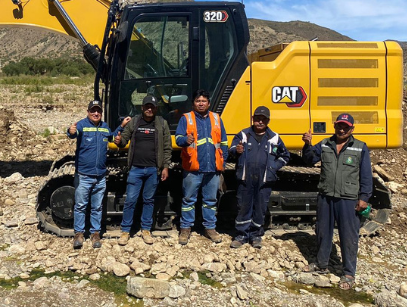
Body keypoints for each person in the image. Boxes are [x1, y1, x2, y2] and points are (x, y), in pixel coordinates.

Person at [301, 113, 372, 290]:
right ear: (334, 126)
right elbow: (309, 160)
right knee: (323, 232)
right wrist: (307, 144)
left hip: (348, 199)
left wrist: (364, 198)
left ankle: (348, 273)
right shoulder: (325, 144)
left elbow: (366, 176)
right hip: (326, 196)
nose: (342, 129)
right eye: (339, 126)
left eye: (346, 127)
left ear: (351, 129)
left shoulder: (360, 147)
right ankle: (321, 264)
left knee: (348, 236)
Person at [67, 100, 131, 249]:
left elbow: (112, 137)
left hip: (100, 176)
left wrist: (121, 128)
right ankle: (79, 234)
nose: (96, 113)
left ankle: (95, 233)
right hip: (84, 175)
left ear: (101, 113)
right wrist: (70, 131)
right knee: (81, 205)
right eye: (93, 111)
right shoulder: (82, 125)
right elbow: (73, 133)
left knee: (97, 206)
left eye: (98, 111)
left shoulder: (104, 127)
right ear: (88, 112)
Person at [228, 106, 289, 249]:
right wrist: (236, 151)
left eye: (263, 119)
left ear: (268, 121)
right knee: (243, 206)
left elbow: (285, 155)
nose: (260, 122)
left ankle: (256, 235)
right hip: (245, 178)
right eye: (257, 118)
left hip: (264, 179)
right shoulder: (243, 135)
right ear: (253, 119)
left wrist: (274, 166)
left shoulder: (274, 137)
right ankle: (241, 235)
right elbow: (230, 150)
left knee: (260, 207)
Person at [116, 95, 172, 246]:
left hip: (153, 169)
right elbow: (124, 140)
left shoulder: (161, 123)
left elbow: (167, 147)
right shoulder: (134, 122)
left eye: (152, 107)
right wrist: (119, 140)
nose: (149, 109)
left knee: (149, 200)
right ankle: (125, 231)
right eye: (147, 106)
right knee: (130, 200)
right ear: (142, 108)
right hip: (136, 169)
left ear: (156, 108)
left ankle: (146, 230)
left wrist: (165, 167)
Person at [175, 89, 228, 244]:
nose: (201, 103)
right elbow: (178, 139)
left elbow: (223, 143)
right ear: (194, 103)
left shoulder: (217, 119)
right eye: (198, 101)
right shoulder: (186, 119)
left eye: (204, 101)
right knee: (188, 200)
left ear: (208, 103)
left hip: (212, 168)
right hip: (193, 168)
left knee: (210, 200)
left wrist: (222, 162)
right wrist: (185, 139)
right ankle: (185, 229)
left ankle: (210, 228)